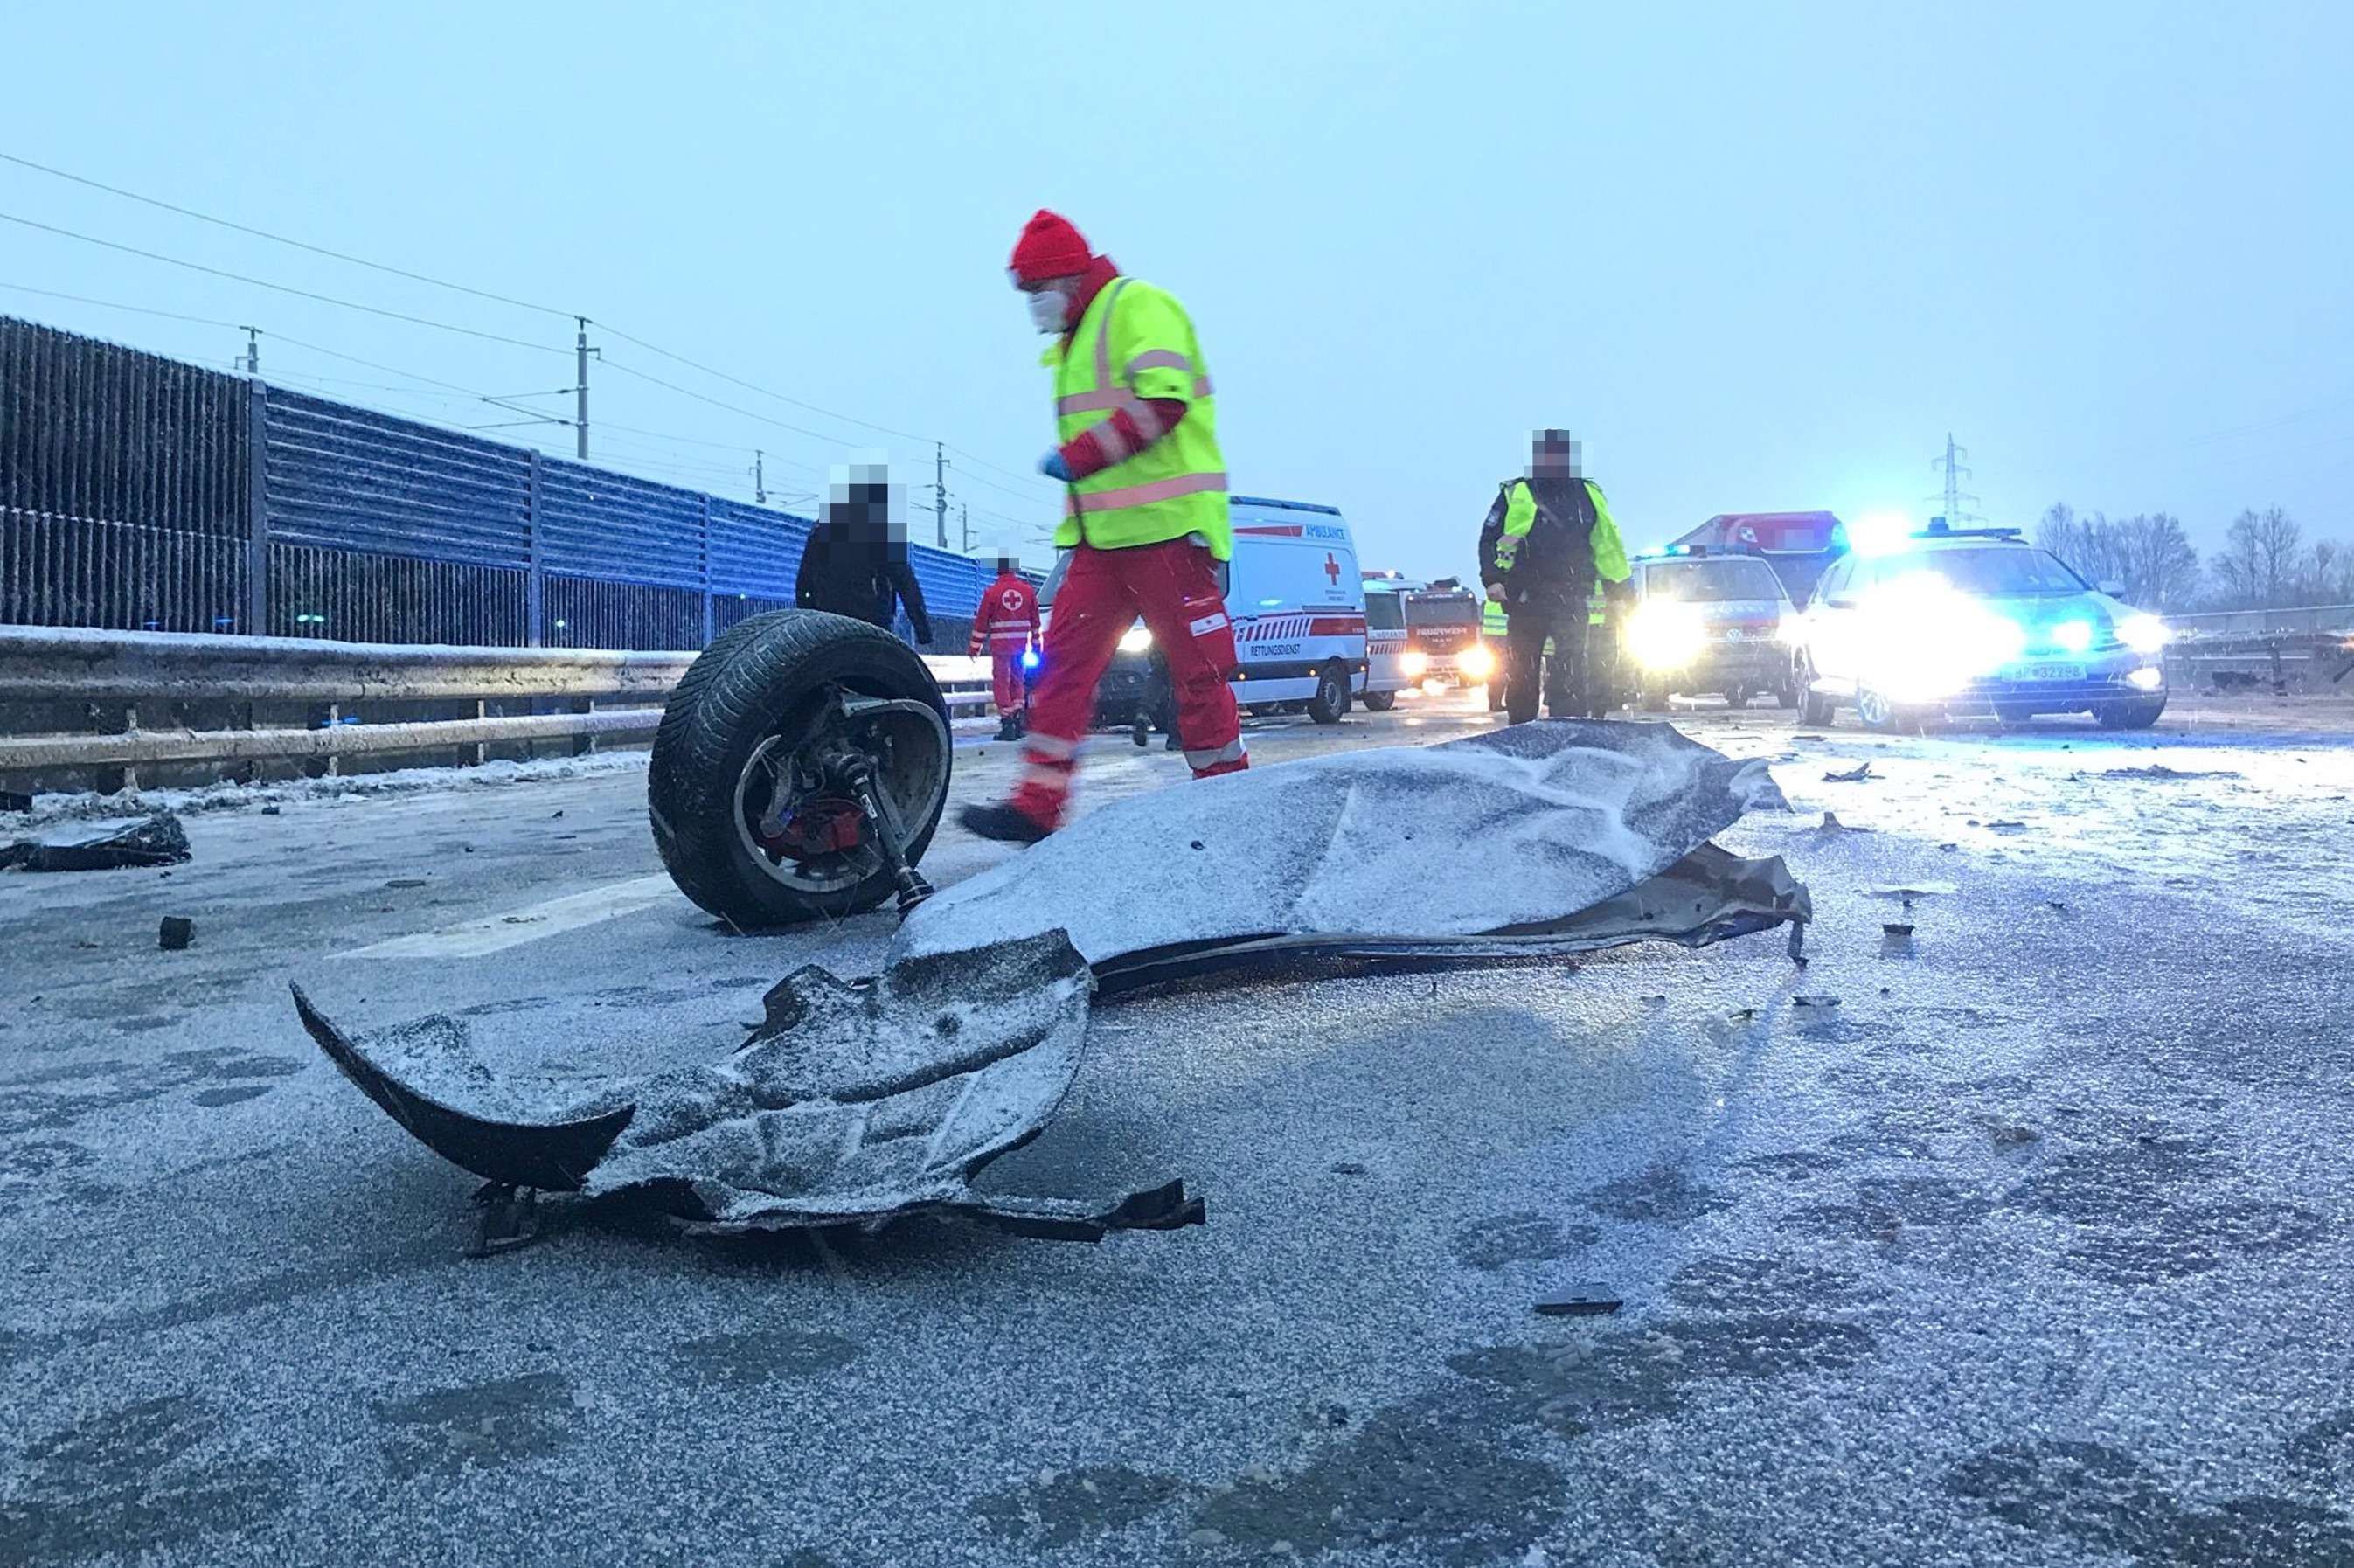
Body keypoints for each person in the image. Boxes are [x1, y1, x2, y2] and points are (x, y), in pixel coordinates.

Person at [961, 211, 1244, 844]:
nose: (1033, 306)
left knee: (1197, 675)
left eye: (1037, 291)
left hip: (1165, 534)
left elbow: (1165, 400)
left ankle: (1230, 803)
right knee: (1060, 671)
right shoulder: (1072, 338)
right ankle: (1036, 807)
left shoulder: (1137, 306)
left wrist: (1082, 454)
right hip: (1101, 543)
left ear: (1066, 278)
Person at [1476, 429, 1629, 723]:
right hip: (1524, 597)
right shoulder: (1515, 492)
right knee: (1523, 670)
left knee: (1570, 669)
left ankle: (1569, 730)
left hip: (1571, 596)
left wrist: (1620, 591)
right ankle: (1521, 731)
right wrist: (1492, 579)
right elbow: (1488, 538)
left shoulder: (1588, 495)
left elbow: (1607, 546)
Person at [795, 461, 934, 646]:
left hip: (827, 621)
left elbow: (805, 577)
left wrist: (809, 614)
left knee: (835, 669)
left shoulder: (822, 528)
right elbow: (904, 580)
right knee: (873, 669)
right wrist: (922, 628)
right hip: (871, 622)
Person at [968, 555, 1041, 741]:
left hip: (1000, 645)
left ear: (998, 570)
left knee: (1001, 681)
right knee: (1018, 680)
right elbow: (1035, 622)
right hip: (1020, 645)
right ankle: (1018, 721)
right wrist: (1036, 645)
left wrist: (975, 647)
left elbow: (982, 622)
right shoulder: (1028, 591)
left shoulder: (992, 592)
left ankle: (1007, 723)